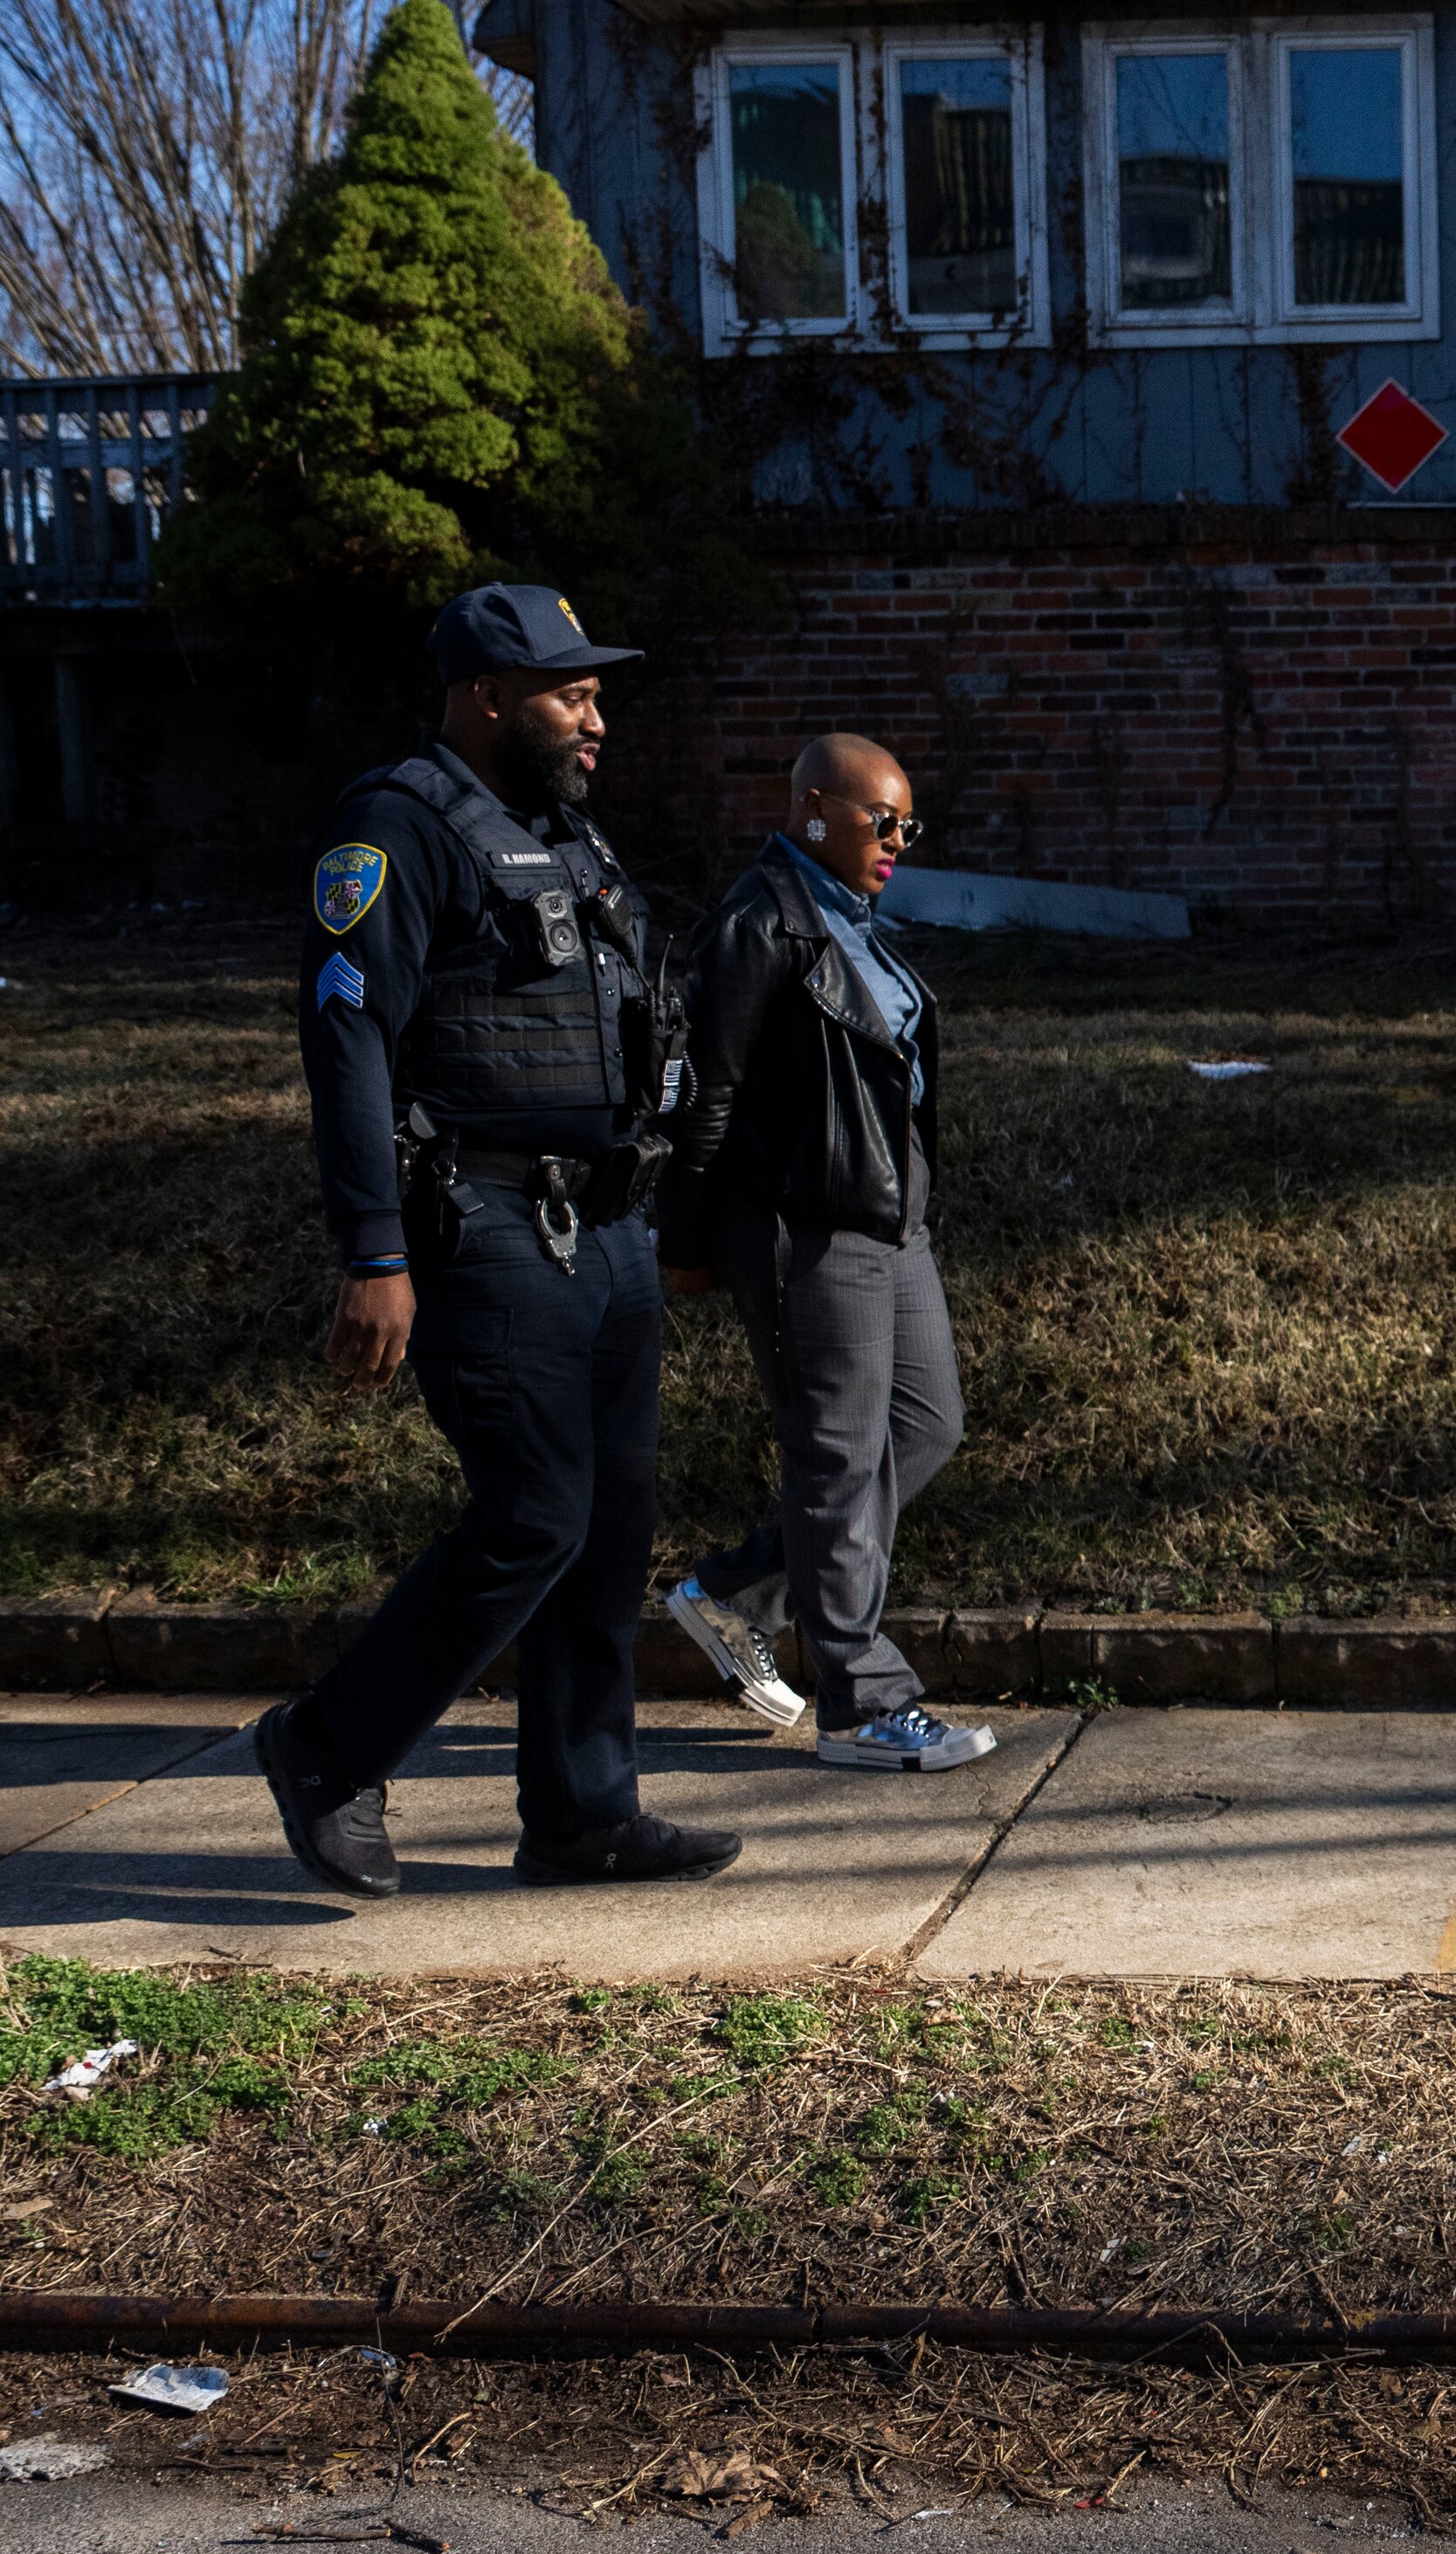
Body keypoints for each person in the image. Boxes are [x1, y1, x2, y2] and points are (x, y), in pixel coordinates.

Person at [249, 584, 740, 1900]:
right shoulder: (396, 829)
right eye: (569, 694)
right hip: (486, 1228)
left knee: (607, 1528)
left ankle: (583, 1814)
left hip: (610, 1228)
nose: (597, 717)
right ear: (484, 696)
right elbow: (346, 1038)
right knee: (532, 1516)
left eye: (595, 693)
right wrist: (372, 1252)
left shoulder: (565, 838)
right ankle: (324, 1747)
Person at [654, 734, 991, 1774]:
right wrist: (688, 1238)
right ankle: (862, 1704)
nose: (895, 841)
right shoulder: (762, 924)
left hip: (892, 1226)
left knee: (927, 1427)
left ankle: (739, 1590)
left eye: (905, 825)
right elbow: (703, 1094)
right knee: (836, 1458)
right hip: (805, 1231)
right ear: (810, 809)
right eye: (875, 820)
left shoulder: (854, 926)